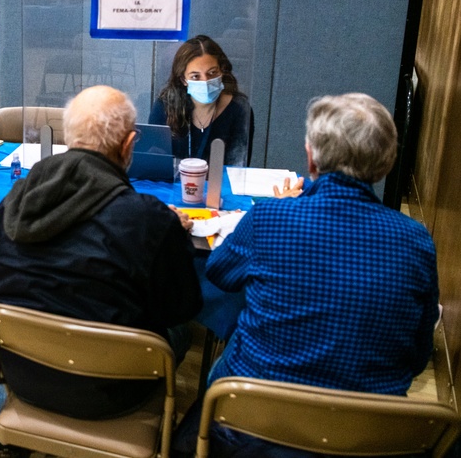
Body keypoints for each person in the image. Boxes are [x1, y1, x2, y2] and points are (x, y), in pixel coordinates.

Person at [173, 93, 439, 458]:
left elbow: (219, 272)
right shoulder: (418, 242)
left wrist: (279, 213)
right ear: (386, 161)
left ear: (311, 157)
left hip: (250, 429)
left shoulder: (270, 219)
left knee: (234, 344)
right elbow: (418, 354)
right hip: (371, 438)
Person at [0, 85, 202, 425]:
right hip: (112, 394)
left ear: (69, 139)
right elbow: (180, 306)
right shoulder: (148, 219)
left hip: (23, 376)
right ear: (129, 145)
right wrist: (170, 232)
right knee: (181, 331)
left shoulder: (13, 202)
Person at [150, 34, 251, 166]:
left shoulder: (238, 109)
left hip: (219, 185)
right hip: (171, 185)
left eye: (212, 73)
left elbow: (238, 168)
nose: (205, 81)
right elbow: (152, 162)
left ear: (222, 71)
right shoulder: (164, 106)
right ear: (183, 80)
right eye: (196, 76)